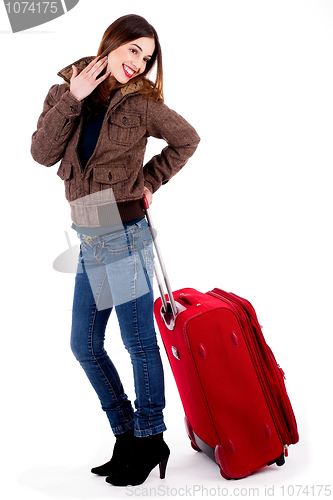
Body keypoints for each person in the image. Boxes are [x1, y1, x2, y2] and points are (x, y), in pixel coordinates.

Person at [31, 14, 200, 487]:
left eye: (146, 58)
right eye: (133, 51)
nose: (138, 64)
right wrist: (74, 99)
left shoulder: (143, 105)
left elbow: (187, 140)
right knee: (84, 345)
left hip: (123, 231)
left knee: (137, 342)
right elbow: (42, 154)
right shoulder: (65, 91)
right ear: (112, 44)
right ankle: (127, 435)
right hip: (89, 231)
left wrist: (150, 179)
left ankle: (150, 438)